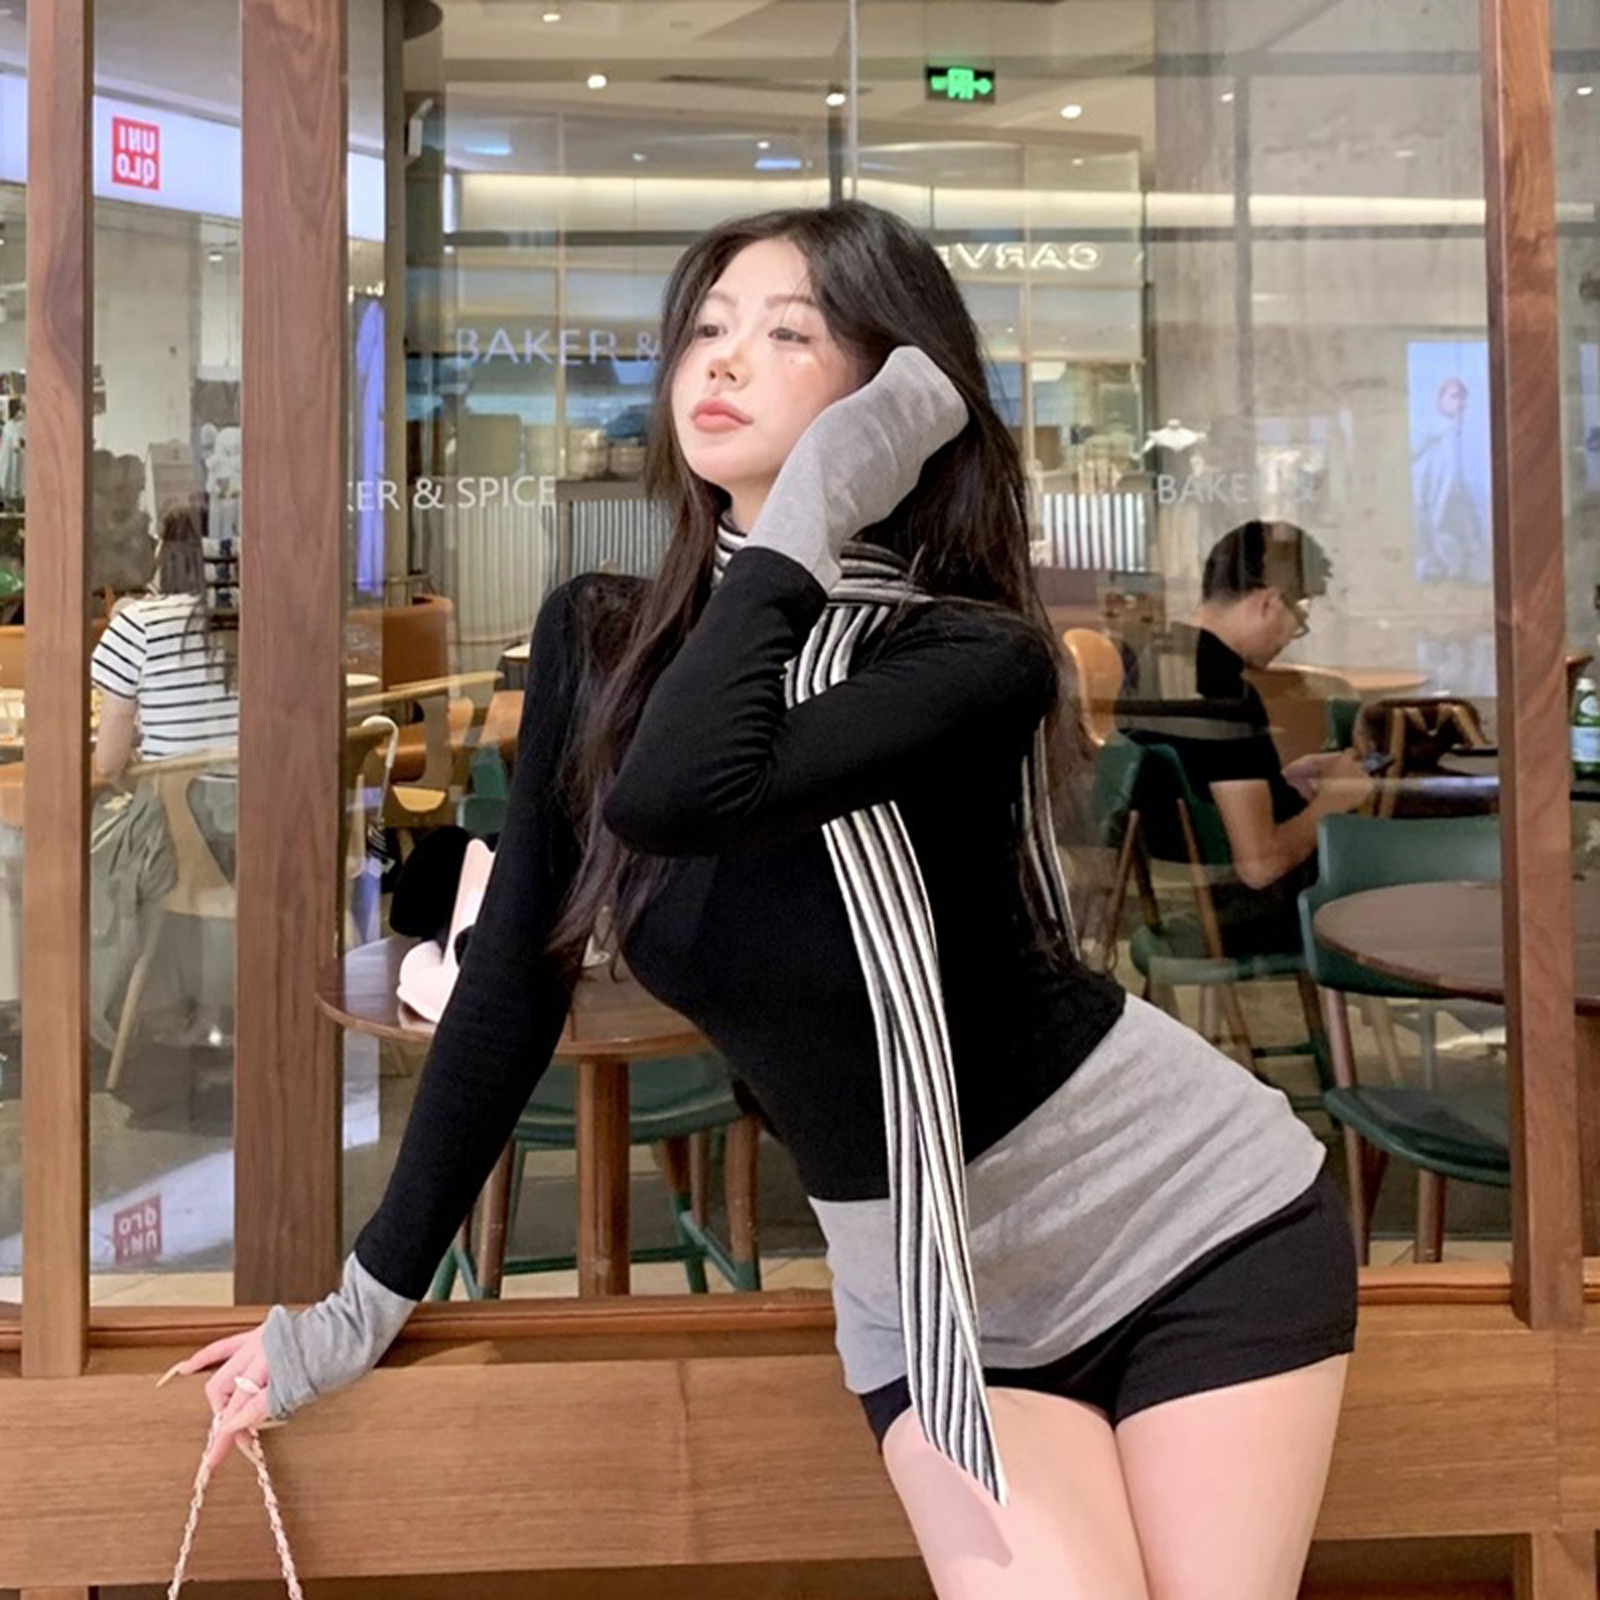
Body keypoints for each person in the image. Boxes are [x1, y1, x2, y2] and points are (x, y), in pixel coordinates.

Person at [169, 203, 1356, 1598]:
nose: (722, 361)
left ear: (893, 404)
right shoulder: (598, 638)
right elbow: (518, 976)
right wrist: (358, 1305)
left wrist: (806, 514)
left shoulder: (969, 658)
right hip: (925, 1297)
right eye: (707, 329)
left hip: (1186, 1220)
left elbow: (688, 788)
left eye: (790, 333)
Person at [1129, 520, 1373, 955]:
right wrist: (1335, 799)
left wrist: (1281, 780)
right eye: (1298, 621)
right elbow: (1260, 866)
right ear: (1269, 602)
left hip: (1191, 895)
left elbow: (1204, 784)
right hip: (1257, 912)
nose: (1291, 637)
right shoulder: (1222, 691)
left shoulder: (1158, 659)